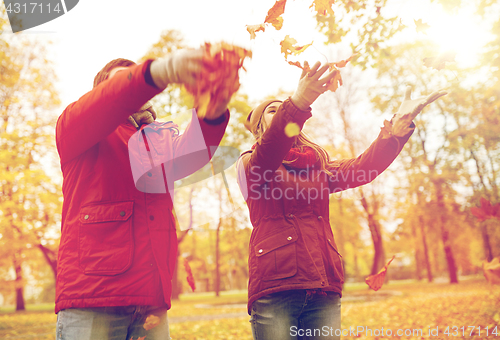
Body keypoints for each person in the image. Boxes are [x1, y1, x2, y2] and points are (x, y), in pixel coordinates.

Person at [236, 61, 446, 340]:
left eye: (282, 109)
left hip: (324, 285)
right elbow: (271, 148)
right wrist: (297, 102)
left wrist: (393, 134)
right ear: (259, 127)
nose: (279, 112)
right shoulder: (252, 164)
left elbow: (362, 169)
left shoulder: (317, 167)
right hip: (276, 287)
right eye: (272, 111)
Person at [55, 49, 235, 340]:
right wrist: (159, 71)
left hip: (151, 299)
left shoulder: (158, 142)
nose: (133, 91)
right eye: (124, 83)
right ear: (102, 92)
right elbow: (109, 101)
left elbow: (196, 150)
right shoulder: (79, 126)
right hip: (94, 297)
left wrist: (213, 105)